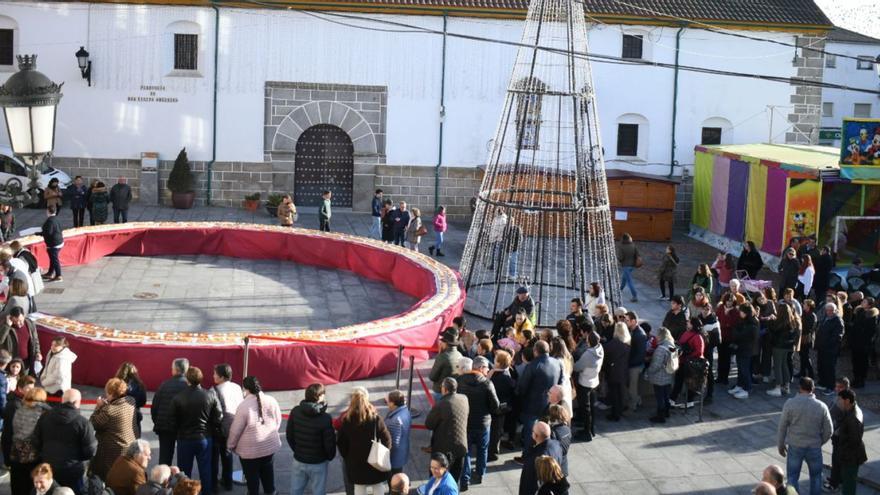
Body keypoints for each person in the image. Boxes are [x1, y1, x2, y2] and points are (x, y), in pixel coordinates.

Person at [33, 389, 97, 494]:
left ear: (62, 400)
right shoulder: (83, 423)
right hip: (73, 472)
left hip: (49, 468)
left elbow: (35, 441)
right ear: (77, 402)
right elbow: (90, 451)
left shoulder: (45, 417)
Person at [777, 377, 832, 495]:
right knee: (816, 477)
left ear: (800, 388)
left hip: (795, 446)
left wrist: (781, 445)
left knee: (792, 477)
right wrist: (819, 441)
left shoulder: (790, 404)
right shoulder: (822, 406)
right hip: (814, 447)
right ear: (813, 389)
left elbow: (782, 427)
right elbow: (829, 430)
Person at [227, 376, 281, 495]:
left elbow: (236, 430)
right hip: (269, 446)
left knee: (252, 479)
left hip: (249, 451)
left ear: (245, 389)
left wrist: (230, 445)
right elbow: (278, 420)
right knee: (268, 474)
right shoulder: (271, 400)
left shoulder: (243, 406)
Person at [172, 367, 222, 494]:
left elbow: (172, 420)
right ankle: (207, 492)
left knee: (184, 471)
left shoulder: (178, 397)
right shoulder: (210, 395)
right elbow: (218, 416)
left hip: (185, 439)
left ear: (187, 380)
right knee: (205, 470)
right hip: (204, 438)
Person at [337, 387, 392, 495]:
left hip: (355, 462)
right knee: (378, 485)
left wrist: (347, 456)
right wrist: (384, 454)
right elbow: (387, 439)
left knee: (359, 487)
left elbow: (341, 443)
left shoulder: (346, 421)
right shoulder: (376, 419)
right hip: (375, 460)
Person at [456, 356, 499, 490]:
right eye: (487, 368)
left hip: (466, 423)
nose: (488, 371)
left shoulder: (460, 380)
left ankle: (465, 480)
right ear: (480, 368)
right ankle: (480, 474)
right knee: (482, 449)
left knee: (466, 452)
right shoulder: (487, 383)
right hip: (483, 424)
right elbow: (495, 405)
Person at [286, 382, 336, 495]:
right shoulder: (325, 418)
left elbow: (289, 435)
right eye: (323, 394)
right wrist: (329, 456)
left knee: (295, 490)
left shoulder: (295, 411)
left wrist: (298, 450)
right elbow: (329, 444)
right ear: (318, 397)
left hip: (299, 460)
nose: (325, 396)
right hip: (318, 463)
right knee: (318, 491)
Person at [515, 340, 562, 458]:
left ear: (535, 351)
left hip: (532, 405)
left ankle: (527, 456)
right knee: (544, 431)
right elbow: (559, 383)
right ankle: (542, 453)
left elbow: (522, 387)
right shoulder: (557, 362)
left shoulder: (532, 366)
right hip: (549, 404)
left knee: (530, 433)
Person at [90, 378, 137, 480]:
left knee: (107, 476)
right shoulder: (131, 401)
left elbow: (93, 423)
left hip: (112, 451)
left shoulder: (109, 411)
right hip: (129, 446)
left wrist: (98, 407)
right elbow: (118, 408)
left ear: (110, 393)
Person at [425, 377, 468, 485]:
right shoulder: (464, 398)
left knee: (436, 477)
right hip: (460, 445)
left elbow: (429, 424)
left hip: (442, 448)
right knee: (454, 478)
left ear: (445, 389)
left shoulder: (441, 404)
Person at [9, 387, 50, 495]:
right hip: (33, 453)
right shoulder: (44, 412)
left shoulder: (19, 409)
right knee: (31, 484)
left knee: (17, 482)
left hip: (16, 450)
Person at [211, 364, 243, 492]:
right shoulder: (236, 387)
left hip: (221, 426)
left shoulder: (214, 390)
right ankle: (228, 481)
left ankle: (214, 484)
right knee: (227, 454)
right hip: (236, 424)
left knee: (215, 456)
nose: (213, 376)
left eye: (215, 374)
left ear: (222, 377)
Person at [152, 358, 190, 465]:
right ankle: (183, 480)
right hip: (183, 428)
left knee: (164, 458)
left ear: (175, 370)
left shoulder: (164, 385)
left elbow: (155, 406)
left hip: (165, 427)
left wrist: (157, 421)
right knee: (184, 460)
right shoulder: (188, 386)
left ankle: (162, 480)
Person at [835, 389, 867, 495]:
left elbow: (854, 440)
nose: (838, 401)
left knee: (849, 484)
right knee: (848, 482)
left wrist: (842, 447)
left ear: (847, 401)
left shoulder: (853, 418)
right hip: (849, 455)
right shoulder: (851, 411)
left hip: (851, 457)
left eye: (840, 399)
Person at [573, 330, 602, 441]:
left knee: (585, 409)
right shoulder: (600, 349)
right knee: (591, 408)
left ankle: (587, 432)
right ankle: (591, 429)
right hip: (594, 381)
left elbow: (577, 367)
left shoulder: (588, 354)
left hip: (584, 383)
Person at [517, 422, 562, 495]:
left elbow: (527, 485)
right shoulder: (557, 445)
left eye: (533, 432)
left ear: (535, 435)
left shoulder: (535, 459)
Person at [767, 303, 800, 398]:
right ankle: (787, 386)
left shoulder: (779, 321)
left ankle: (778, 387)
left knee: (777, 366)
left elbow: (773, 330)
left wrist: (770, 320)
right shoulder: (792, 321)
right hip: (788, 347)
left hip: (779, 346)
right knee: (784, 365)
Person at [488, 350, 515, 460]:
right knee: (497, 429)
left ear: (498, 363)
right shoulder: (508, 373)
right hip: (504, 407)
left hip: (496, 407)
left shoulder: (497, 377)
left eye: (495, 359)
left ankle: (492, 452)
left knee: (495, 430)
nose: (493, 360)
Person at [729, 304, 759, 400]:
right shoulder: (743, 321)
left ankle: (747, 388)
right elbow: (736, 331)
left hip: (746, 349)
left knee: (745, 369)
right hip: (740, 348)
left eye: (741, 311)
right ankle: (740, 385)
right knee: (740, 369)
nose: (740, 313)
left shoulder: (753, 323)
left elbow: (740, 334)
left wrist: (737, 333)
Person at [646, 327, 675, 423]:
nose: (656, 337)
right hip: (668, 375)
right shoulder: (671, 345)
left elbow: (656, 365)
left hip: (659, 377)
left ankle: (660, 416)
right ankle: (667, 412)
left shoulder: (661, 349)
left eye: (657, 335)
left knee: (660, 397)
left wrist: (648, 372)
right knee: (666, 395)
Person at [602, 323, 630, 421]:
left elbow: (605, 358)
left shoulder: (611, 345)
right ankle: (619, 411)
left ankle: (615, 414)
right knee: (621, 393)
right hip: (623, 372)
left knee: (614, 394)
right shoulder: (627, 344)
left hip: (612, 372)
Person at [0, 307, 40, 373]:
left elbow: (35, 340)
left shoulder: (30, 324)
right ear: (10, 318)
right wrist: (7, 326)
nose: (18, 324)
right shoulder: (4, 325)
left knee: (24, 381)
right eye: (15, 321)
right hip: (11, 365)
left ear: (24, 316)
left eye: (20, 321)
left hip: (26, 363)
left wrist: (37, 352)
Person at [816, 303, 844, 392]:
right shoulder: (826, 318)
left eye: (831, 310)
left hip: (830, 349)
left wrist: (827, 344)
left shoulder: (837, 320)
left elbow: (837, 336)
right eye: (827, 310)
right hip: (822, 348)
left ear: (835, 310)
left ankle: (830, 386)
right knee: (821, 366)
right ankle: (822, 383)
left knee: (829, 368)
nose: (828, 312)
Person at [115, 362, 147, 438]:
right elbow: (143, 401)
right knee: (135, 444)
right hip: (135, 415)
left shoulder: (116, 383)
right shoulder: (140, 384)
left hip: (119, 415)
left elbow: (111, 398)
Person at [850, 302, 878, 389]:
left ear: (869, 305)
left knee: (862, 362)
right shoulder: (859, 311)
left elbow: (871, 331)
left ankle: (861, 380)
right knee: (855, 361)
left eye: (865, 302)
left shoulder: (872, 315)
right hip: (856, 342)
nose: (862, 303)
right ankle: (856, 378)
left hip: (864, 344)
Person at [384, 390, 411, 475]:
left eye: (387, 401)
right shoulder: (405, 410)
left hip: (394, 458)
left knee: (393, 479)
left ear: (392, 403)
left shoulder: (395, 420)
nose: (386, 403)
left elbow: (394, 443)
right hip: (402, 452)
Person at [430, 329, 463, 396]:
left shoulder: (442, 357)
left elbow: (432, 377)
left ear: (446, 343)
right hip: (453, 390)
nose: (440, 343)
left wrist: (439, 355)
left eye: (442, 342)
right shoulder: (460, 355)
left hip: (440, 390)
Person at [624, 312, 647, 412]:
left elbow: (640, 355)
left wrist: (629, 364)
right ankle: (637, 401)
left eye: (627, 320)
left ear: (633, 321)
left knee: (632, 388)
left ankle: (632, 407)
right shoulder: (632, 330)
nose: (625, 322)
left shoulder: (640, 335)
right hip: (632, 363)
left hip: (635, 366)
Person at [41, 205, 64, 283]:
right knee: (52, 259)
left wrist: (39, 233)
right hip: (59, 241)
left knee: (55, 260)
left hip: (54, 243)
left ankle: (58, 275)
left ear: (48, 211)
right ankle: (50, 273)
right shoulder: (56, 218)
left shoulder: (50, 220)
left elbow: (48, 233)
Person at [616, 233, 639, 303]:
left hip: (626, 265)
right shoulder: (633, 245)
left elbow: (620, 257)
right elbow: (637, 255)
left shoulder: (621, 246)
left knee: (629, 281)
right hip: (632, 265)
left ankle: (635, 296)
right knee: (624, 277)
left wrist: (619, 260)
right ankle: (620, 289)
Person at [798, 299, 817, 380]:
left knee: (806, 356)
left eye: (805, 304)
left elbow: (808, 328)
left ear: (809, 306)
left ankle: (811, 373)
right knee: (802, 356)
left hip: (807, 338)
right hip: (802, 338)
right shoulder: (805, 313)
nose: (803, 305)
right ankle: (802, 372)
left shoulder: (812, 315)